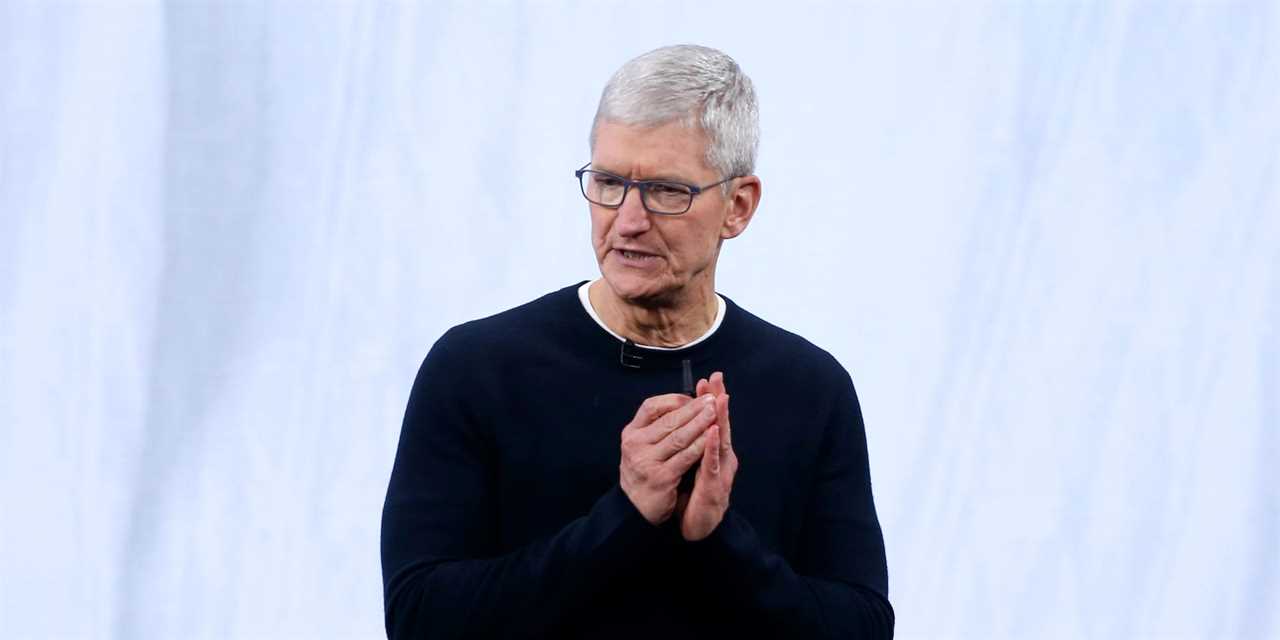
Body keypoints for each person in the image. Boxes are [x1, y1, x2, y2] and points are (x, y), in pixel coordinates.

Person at [381, 44, 893, 639]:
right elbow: (419, 620)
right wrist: (622, 518)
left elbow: (863, 629)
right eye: (607, 182)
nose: (627, 220)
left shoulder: (811, 388)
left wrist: (719, 538)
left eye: (668, 191)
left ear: (739, 206)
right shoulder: (475, 369)